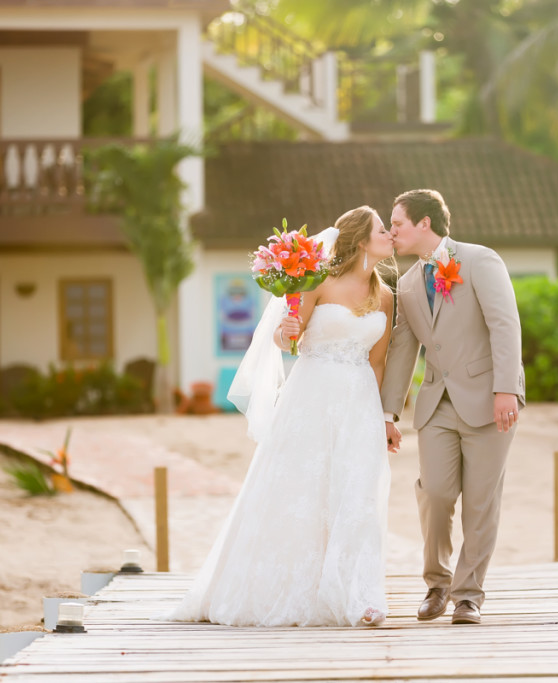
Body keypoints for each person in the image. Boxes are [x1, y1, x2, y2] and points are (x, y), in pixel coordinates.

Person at [165, 206, 397, 627]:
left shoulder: (386, 297)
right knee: (300, 491)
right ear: (361, 239)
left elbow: (378, 362)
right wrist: (285, 332)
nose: (391, 235)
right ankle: (288, 589)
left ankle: (358, 594)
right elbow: (286, 336)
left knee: (357, 494)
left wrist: (380, 416)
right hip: (311, 396)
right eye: (383, 229)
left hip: (359, 403)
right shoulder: (318, 280)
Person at [381, 189, 524, 625]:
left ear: (425, 223)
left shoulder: (480, 260)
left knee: (481, 501)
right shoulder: (405, 284)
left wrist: (505, 389)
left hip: (488, 399)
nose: (392, 233)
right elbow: (404, 351)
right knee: (437, 494)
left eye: (398, 224)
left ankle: (468, 596)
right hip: (436, 403)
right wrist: (389, 413)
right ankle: (436, 584)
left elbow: (505, 324)